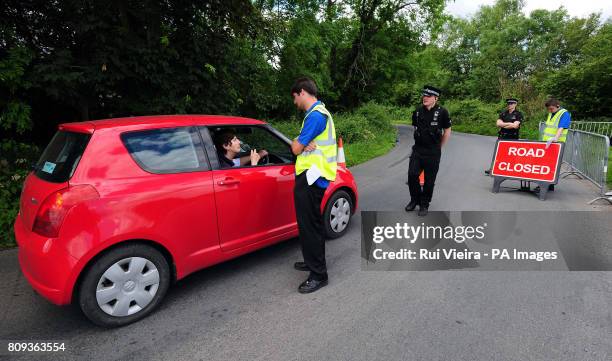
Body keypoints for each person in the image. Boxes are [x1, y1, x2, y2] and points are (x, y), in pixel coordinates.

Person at [290, 77, 337, 293]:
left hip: (312, 177)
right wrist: (300, 143)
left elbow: (295, 149)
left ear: (302, 92)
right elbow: (301, 146)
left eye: (294, 97)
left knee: (310, 226)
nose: (294, 102)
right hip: (313, 176)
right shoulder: (318, 113)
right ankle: (312, 262)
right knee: (311, 224)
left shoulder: (316, 116)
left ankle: (318, 274)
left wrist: (298, 143)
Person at [405, 85, 452, 217]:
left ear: (435, 98)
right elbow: (415, 128)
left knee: (429, 181)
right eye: (424, 95)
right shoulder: (418, 111)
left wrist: (439, 147)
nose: (424, 97)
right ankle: (415, 200)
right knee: (412, 176)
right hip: (418, 151)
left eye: (428, 96)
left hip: (433, 153)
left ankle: (424, 204)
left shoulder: (443, 112)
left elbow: (447, 130)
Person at [537, 98, 571, 192]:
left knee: (551, 165)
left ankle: (546, 185)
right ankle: (548, 185)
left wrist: (555, 138)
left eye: (551, 108)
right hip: (548, 143)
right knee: (546, 164)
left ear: (557, 106)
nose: (550, 110)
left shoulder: (564, 113)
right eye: (549, 109)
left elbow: (561, 127)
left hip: (556, 143)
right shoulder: (551, 113)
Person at [485, 98, 523, 175]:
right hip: (502, 136)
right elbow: (498, 124)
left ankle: (510, 170)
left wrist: (504, 124)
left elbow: (515, 126)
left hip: (512, 137)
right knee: (498, 154)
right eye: (508, 103)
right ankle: (493, 169)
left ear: (515, 104)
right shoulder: (504, 113)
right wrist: (510, 123)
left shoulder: (518, 114)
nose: (509, 105)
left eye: (511, 103)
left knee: (511, 155)